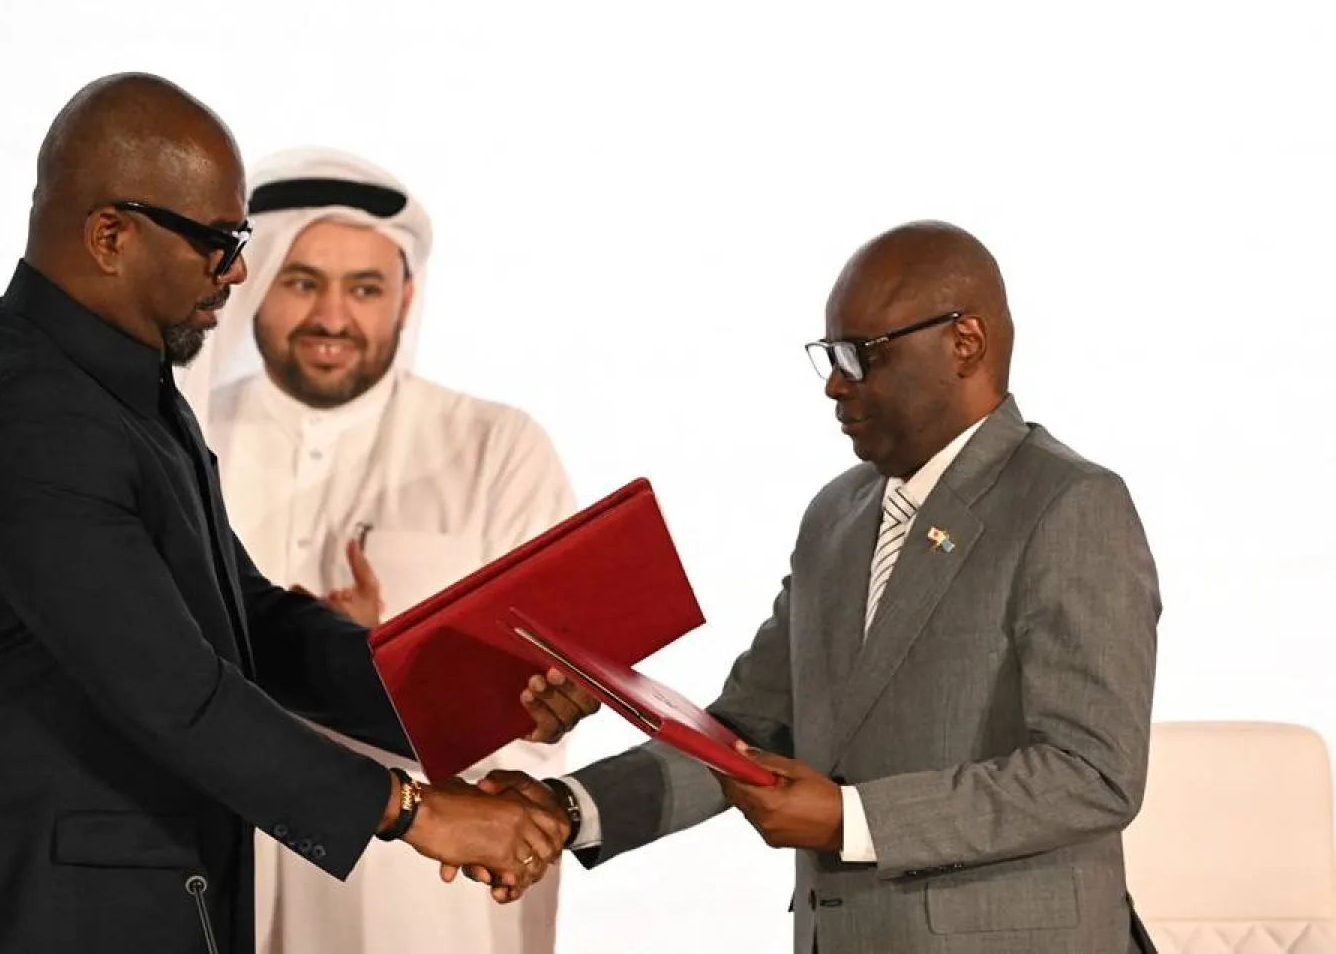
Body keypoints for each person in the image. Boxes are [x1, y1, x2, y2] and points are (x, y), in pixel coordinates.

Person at [0, 73, 591, 954]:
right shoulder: (29, 414)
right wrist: (418, 811)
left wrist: (473, 692)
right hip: (26, 917)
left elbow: (253, 621)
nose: (237, 269)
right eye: (217, 241)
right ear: (110, 234)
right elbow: (180, 696)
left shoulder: (123, 386)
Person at [475, 221, 1162, 953]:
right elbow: (749, 732)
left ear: (965, 342)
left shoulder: (1069, 503)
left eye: (861, 354)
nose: (835, 383)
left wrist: (850, 818)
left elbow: (1093, 773)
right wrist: (567, 806)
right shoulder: (836, 516)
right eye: (829, 356)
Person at [176, 146, 581, 954]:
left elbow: (546, 711)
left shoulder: (496, 449)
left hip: (419, 902)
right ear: (253, 285)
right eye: (302, 282)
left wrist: (386, 658)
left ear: (406, 296)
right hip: (220, 874)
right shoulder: (184, 438)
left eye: (364, 288)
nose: (332, 316)